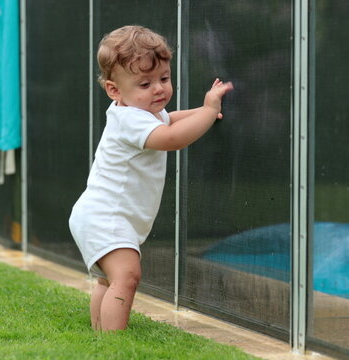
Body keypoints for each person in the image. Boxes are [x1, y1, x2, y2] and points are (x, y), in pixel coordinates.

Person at [68, 25, 233, 331]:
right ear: (114, 90)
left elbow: (172, 118)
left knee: (110, 280)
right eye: (145, 83)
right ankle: (114, 343)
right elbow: (171, 138)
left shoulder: (141, 111)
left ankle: (100, 336)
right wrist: (209, 112)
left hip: (101, 215)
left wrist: (204, 110)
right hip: (107, 217)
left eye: (164, 79)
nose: (158, 89)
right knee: (127, 277)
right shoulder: (130, 119)